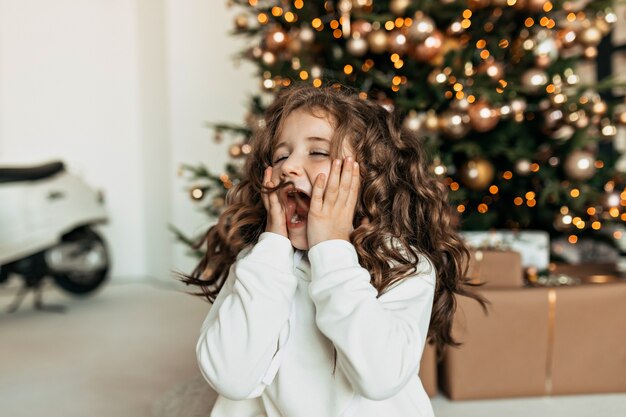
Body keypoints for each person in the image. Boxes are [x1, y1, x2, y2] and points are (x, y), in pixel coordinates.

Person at [183, 84, 484, 417]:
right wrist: (272, 250)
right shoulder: (257, 264)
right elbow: (230, 379)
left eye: (317, 152)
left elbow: (380, 378)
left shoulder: (404, 266)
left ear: (370, 176)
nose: (288, 167)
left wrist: (332, 251)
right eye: (281, 155)